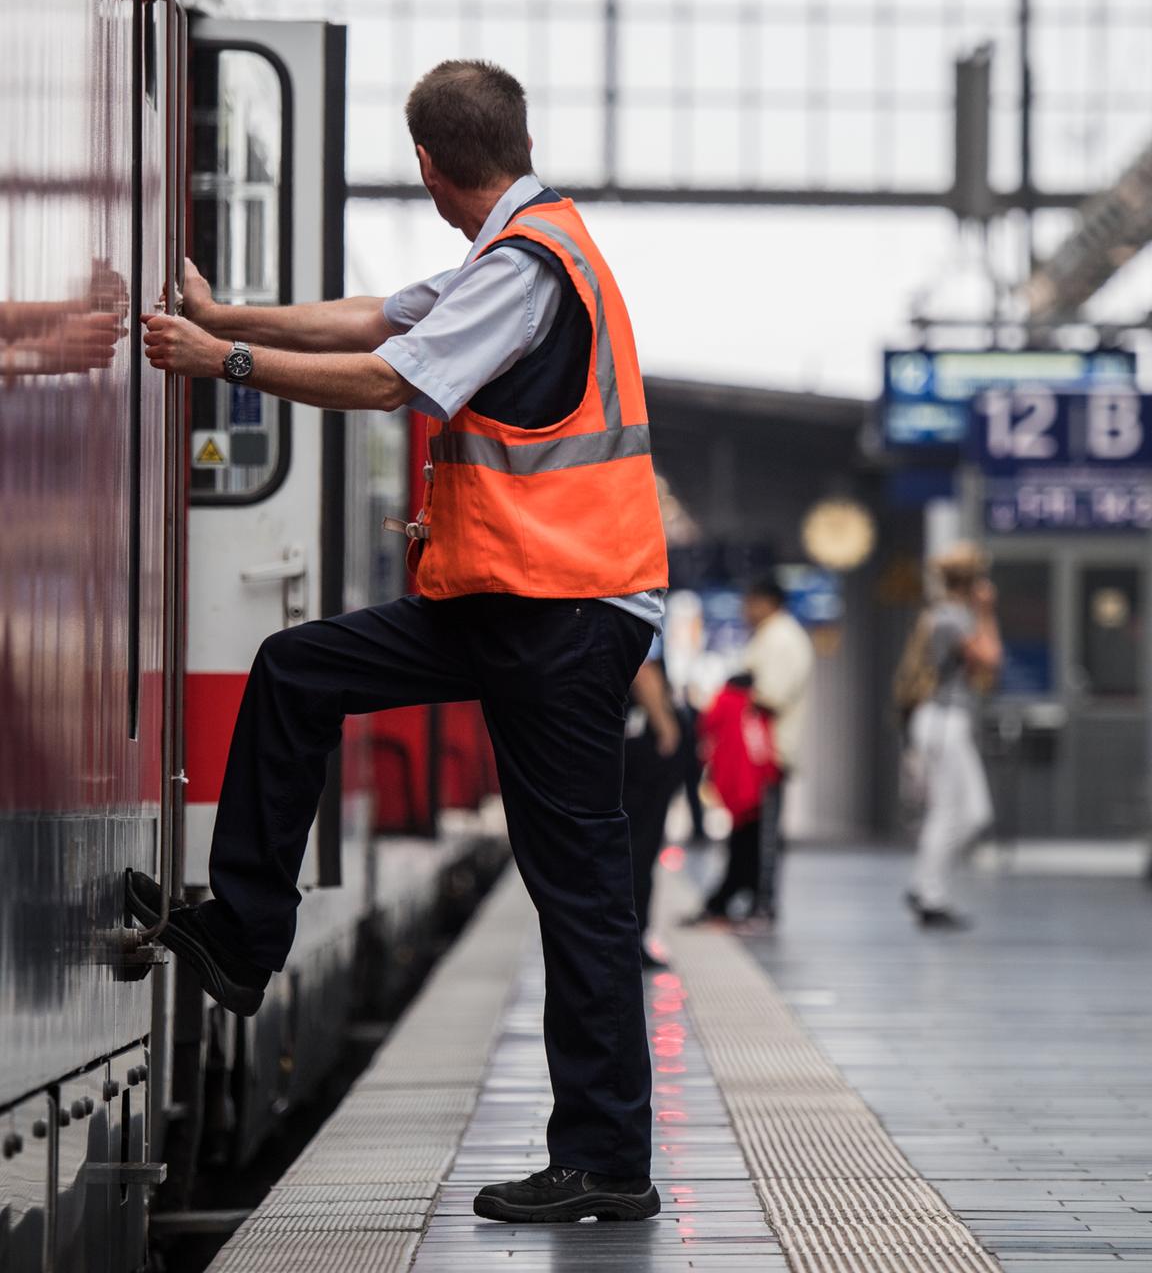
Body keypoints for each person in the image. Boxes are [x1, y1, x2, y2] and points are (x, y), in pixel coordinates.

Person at [132, 60, 667, 1225]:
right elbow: (375, 315)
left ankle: (609, 1158)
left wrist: (214, 362)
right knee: (296, 671)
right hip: (511, 607)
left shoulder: (527, 269)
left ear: (428, 165)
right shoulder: (520, 249)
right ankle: (242, 934)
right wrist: (226, 316)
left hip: (563, 619)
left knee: (578, 891)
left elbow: (385, 377)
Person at [684, 576, 813, 931]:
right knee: (748, 833)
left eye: (748, 603)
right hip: (757, 757)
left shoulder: (783, 638)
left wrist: (739, 690)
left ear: (765, 601)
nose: (744, 611)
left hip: (767, 757)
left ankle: (763, 904)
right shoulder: (771, 636)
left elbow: (771, 695)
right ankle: (737, 898)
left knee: (764, 835)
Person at [900, 543, 1001, 930]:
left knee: (974, 813)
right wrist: (988, 612)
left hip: (949, 719)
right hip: (942, 720)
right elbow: (991, 658)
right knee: (948, 810)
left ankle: (924, 884)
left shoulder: (951, 616)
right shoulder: (951, 618)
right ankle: (929, 893)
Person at [624, 638, 682, 969]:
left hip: (630, 757)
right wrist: (666, 727)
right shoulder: (639, 603)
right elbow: (644, 673)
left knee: (632, 849)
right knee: (640, 851)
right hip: (644, 761)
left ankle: (629, 938)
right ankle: (633, 939)